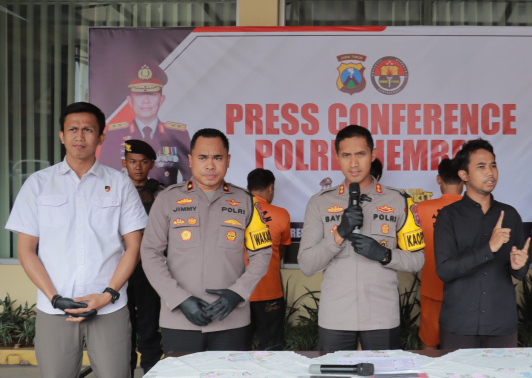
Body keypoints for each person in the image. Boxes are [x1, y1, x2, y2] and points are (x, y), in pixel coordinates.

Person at [5, 102, 148, 378]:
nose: (79, 135)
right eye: (73, 129)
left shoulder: (120, 183)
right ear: (61, 135)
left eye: (88, 129)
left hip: (110, 307)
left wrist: (108, 294)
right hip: (55, 309)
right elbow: (26, 251)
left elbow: (133, 247)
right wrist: (55, 298)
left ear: (100, 137)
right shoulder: (39, 184)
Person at [141, 128, 272, 353]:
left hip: (232, 320)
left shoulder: (246, 201)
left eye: (217, 157)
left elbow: (261, 253)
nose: (210, 165)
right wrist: (180, 299)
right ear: (191, 160)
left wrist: (238, 293)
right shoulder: (167, 200)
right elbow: (150, 253)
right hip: (180, 319)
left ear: (228, 161)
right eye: (203, 157)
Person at [298, 125, 425, 350]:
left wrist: (384, 255)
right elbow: (307, 265)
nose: (354, 163)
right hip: (336, 316)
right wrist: (339, 233)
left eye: (361, 154)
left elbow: (417, 260)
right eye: (346, 155)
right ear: (337, 157)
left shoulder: (399, 200)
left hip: (381, 316)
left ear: (373, 155)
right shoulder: (319, 202)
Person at [434, 140, 530, 349]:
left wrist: (520, 265)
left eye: (493, 165)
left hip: (501, 326)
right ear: (464, 175)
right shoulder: (448, 216)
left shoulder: (510, 214)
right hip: (460, 325)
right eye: (481, 166)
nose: (490, 172)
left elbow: (520, 273)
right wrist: (489, 249)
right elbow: (445, 270)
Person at [99, 61, 191, 187]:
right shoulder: (114, 135)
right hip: (126, 203)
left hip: (165, 203)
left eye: (152, 94)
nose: (146, 101)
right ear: (130, 100)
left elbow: (190, 178)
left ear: (161, 99)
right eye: (139, 95)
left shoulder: (178, 135)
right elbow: (104, 178)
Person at [121, 139, 163, 378]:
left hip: (149, 270)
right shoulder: (113, 189)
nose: (137, 167)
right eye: (132, 162)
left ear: (151, 164)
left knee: (149, 329)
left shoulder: (160, 194)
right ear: (124, 163)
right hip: (120, 270)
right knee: (123, 330)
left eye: (143, 162)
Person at [415, 158, 464, 349]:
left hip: (432, 288)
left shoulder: (420, 209)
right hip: (464, 292)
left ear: (438, 180)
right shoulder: (474, 210)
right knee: (462, 347)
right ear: (464, 179)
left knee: (429, 346)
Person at [245, 168, 291, 351]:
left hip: (239, 294)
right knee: (272, 349)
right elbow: (281, 250)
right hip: (270, 292)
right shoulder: (282, 214)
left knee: (237, 349)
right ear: (271, 188)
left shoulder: (235, 214)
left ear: (247, 188)